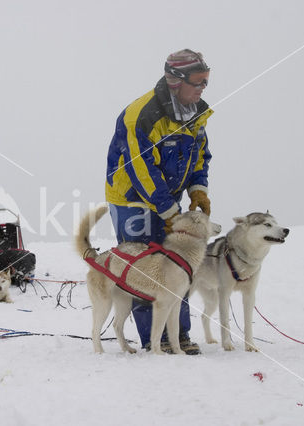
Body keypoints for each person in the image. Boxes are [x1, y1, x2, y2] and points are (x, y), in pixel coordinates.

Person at [105, 49, 213, 354]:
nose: (203, 88)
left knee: (178, 267)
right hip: (132, 200)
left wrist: (197, 189)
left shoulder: (196, 113)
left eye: (206, 81)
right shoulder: (141, 115)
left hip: (169, 198)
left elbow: (199, 156)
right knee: (144, 268)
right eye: (198, 81)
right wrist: (171, 212)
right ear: (175, 80)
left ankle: (178, 335)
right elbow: (142, 171)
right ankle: (157, 340)